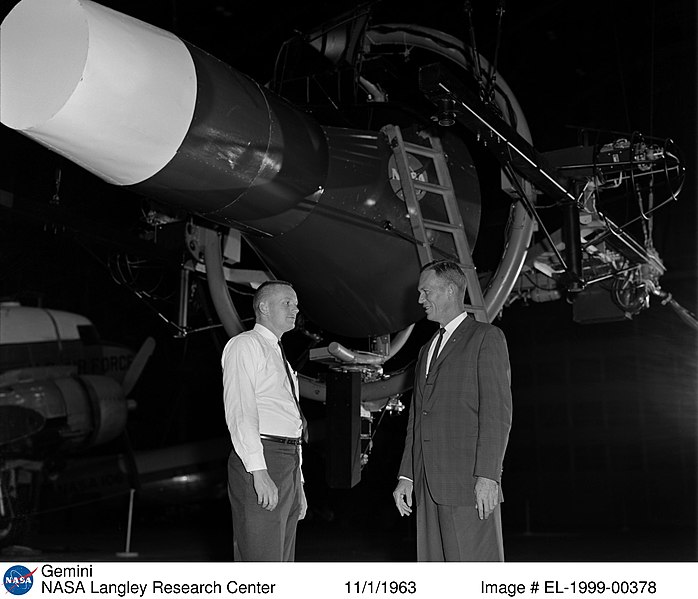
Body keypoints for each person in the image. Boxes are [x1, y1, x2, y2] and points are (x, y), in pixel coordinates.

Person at [392, 260, 513, 561]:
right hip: (428, 486)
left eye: (426, 291)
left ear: (449, 291)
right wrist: (406, 475)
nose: (420, 299)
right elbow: (416, 420)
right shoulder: (426, 350)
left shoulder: (486, 337)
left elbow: (496, 414)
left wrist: (488, 476)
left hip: (468, 485)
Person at [221, 280, 307, 561]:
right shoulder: (245, 345)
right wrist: (258, 471)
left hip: (287, 462)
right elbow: (241, 411)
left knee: (282, 561)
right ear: (263, 307)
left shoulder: (278, 353)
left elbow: (290, 422)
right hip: (262, 458)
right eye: (287, 303)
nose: (295, 309)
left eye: (295, 303)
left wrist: (299, 484)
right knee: (262, 563)